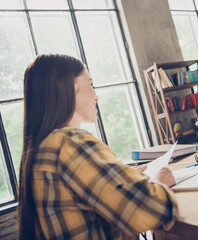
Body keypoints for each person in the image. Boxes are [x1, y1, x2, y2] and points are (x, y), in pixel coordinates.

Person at [18, 54, 178, 240]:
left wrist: (120, 176)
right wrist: (158, 182)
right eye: (91, 84)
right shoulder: (70, 143)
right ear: (67, 87)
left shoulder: (40, 148)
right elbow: (150, 211)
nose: (96, 95)